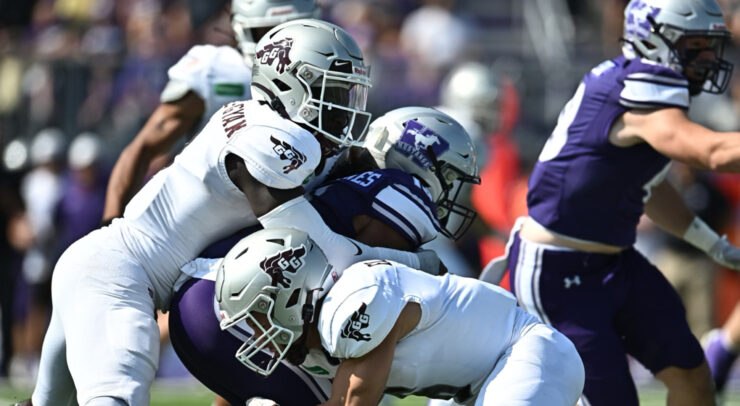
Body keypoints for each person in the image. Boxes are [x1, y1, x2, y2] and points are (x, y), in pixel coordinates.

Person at [29, 20, 440, 406]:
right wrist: (419, 264)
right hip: (118, 274)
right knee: (118, 394)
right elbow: (332, 254)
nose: (343, 107)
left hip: (105, 265)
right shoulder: (272, 137)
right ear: (290, 85)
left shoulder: (269, 124)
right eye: (333, 92)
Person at [503, 0, 740, 404]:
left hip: (614, 261)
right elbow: (713, 152)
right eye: (695, 45)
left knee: (693, 375)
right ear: (653, 40)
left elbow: (647, 184)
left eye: (709, 45)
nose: (706, 57)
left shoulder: (635, 83)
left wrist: (709, 241)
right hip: (558, 267)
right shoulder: (639, 87)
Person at [167, 106, 480, 405]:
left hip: (207, 296)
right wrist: (422, 266)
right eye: (449, 178)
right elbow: (366, 280)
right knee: (352, 386)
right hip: (240, 309)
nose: (450, 193)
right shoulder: (402, 191)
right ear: (419, 158)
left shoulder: (350, 179)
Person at [214, 227, 585, 405]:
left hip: (525, 355)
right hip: (473, 385)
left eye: (260, 314)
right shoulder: (324, 334)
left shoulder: (352, 306)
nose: (257, 330)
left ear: (292, 296)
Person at [102, 0, 319, 224]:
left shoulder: (326, 74)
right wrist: (108, 224)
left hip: (294, 213)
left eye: (294, 29)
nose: (283, 46)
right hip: (210, 229)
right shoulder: (216, 71)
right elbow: (143, 149)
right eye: (267, 31)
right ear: (241, 29)